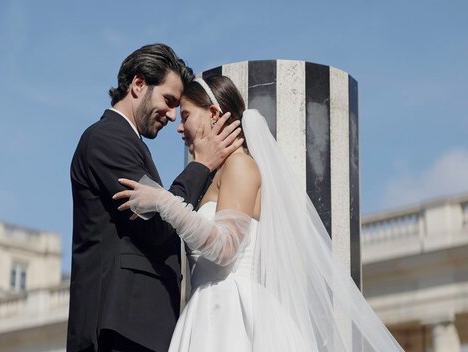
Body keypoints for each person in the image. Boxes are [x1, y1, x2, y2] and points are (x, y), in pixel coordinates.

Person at [114, 75, 405, 351]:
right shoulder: (213, 176)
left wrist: (164, 203)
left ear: (214, 114)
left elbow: (226, 248)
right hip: (206, 309)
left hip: (231, 311)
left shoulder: (241, 166)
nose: (179, 127)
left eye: (187, 116)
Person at [68, 44, 243, 352]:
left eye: (180, 108)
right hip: (117, 327)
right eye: (168, 100)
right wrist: (202, 165)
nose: (172, 114)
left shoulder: (128, 143)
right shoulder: (107, 139)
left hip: (134, 328)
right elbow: (157, 224)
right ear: (138, 85)